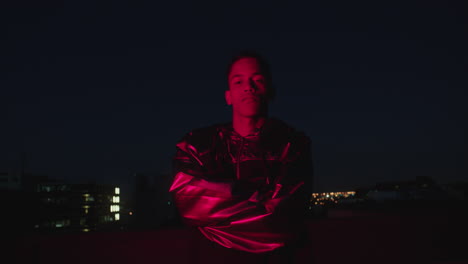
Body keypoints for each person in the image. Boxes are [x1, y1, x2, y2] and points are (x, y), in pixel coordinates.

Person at [169, 51, 313, 263]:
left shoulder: (293, 143)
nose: (248, 87)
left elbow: (285, 215)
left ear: (270, 91)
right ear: (228, 96)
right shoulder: (197, 144)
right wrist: (261, 199)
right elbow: (187, 200)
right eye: (239, 81)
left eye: (257, 80)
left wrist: (216, 209)